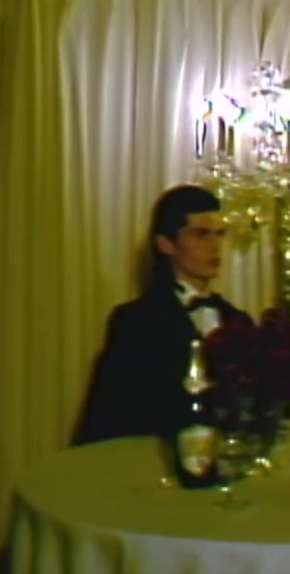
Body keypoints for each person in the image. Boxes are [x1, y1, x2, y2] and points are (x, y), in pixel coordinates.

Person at [74, 185, 251, 445]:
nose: (215, 246)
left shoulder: (237, 320)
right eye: (201, 234)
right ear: (166, 244)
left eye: (220, 234)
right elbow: (115, 413)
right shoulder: (137, 321)